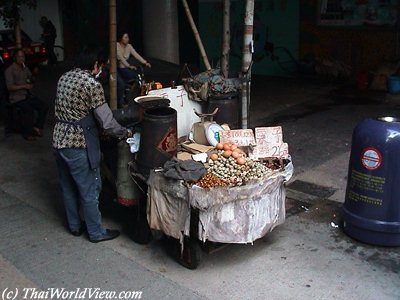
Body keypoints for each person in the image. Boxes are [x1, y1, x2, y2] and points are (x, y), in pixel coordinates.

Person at [52, 47, 133, 243]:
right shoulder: (91, 84)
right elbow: (106, 121)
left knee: (68, 186)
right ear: (95, 65)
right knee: (89, 188)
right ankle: (96, 232)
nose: (101, 70)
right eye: (101, 66)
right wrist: (125, 132)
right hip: (78, 143)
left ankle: (74, 226)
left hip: (58, 139)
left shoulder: (64, 77)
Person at [5, 49, 48, 140]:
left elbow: (30, 79)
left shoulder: (25, 68)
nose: (22, 58)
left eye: (23, 56)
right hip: (17, 98)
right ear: (15, 58)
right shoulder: (10, 70)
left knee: (43, 106)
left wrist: (33, 76)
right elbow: (10, 87)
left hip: (27, 95)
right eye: (19, 56)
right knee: (28, 110)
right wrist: (23, 86)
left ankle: (37, 127)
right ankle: (27, 133)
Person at [116, 32, 151, 105]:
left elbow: (136, 55)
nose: (127, 39)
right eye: (125, 37)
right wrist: (129, 66)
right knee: (121, 84)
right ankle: (120, 102)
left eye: (127, 37)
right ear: (121, 38)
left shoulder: (129, 46)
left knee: (136, 77)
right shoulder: (117, 46)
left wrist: (145, 62)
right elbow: (121, 58)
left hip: (124, 69)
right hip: (117, 69)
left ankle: (131, 94)